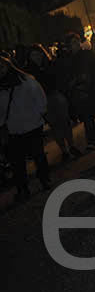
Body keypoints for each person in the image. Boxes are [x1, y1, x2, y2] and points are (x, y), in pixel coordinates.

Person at [1, 55, 50, 202]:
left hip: (31, 124)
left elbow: (40, 99)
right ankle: (23, 188)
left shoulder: (27, 81)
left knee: (38, 154)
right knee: (17, 162)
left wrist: (38, 114)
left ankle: (44, 179)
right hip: (13, 128)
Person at [23, 44, 81, 159]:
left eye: (38, 54)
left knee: (65, 122)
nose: (36, 57)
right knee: (55, 126)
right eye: (33, 55)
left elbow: (59, 79)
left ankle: (71, 145)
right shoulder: (29, 71)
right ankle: (64, 150)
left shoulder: (50, 65)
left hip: (56, 95)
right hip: (43, 100)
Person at [57, 33, 95, 151]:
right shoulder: (70, 60)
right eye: (72, 43)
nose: (75, 45)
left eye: (76, 42)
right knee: (88, 118)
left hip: (94, 90)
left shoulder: (89, 54)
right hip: (82, 93)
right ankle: (92, 141)